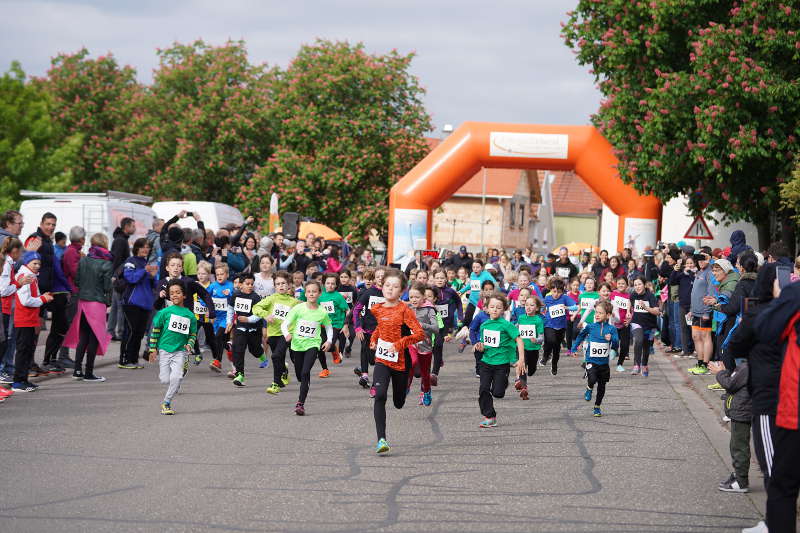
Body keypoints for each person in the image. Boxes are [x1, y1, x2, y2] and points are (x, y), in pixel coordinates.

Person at [368, 269, 424, 454]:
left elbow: (419, 334)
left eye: (395, 287)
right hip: (382, 359)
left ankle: (406, 384)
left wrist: (400, 344)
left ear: (402, 291)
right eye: (387, 285)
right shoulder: (377, 308)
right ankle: (381, 440)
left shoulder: (404, 310)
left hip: (401, 361)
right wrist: (374, 339)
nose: (390, 289)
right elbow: (381, 327)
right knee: (380, 395)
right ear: (381, 287)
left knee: (398, 402)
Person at [63, 234, 113, 382]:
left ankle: (77, 370)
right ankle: (89, 373)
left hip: (83, 301)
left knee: (83, 337)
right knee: (94, 338)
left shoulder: (84, 260)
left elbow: (77, 280)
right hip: (97, 303)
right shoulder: (106, 263)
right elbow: (107, 286)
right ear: (104, 244)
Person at [26, 212, 71, 374]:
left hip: (46, 291)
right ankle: (28, 364)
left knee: (45, 326)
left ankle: (43, 361)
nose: (51, 227)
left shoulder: (47, 241)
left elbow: (52, 268)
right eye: (48, 224)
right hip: (34, 291)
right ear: (41, 223)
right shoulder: (35, 239)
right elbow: (27, 263)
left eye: (53, 225)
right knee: (33, 328)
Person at [280, 280, 333, 415]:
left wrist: (329, 341)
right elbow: (285, 324)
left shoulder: (322, 311)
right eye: (309, 291)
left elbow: (328, 326)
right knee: (299, 375)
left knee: (305, 373)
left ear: (319, 293)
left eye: (314, 291)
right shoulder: (299, 308)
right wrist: (287, 334)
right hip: (296, 345)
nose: (311, 294)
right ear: (305, 293)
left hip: (313, 344)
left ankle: (300, 403)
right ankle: (303, 381)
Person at [474, 292, 524, 428]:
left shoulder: (506, 325)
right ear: (486, 308)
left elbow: (519, 340)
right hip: (486, 362)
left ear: (504, 309)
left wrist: (521, 360)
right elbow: (485, 344)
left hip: (501, 364)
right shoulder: (484, 325)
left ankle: (502, 383)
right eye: (492, 307)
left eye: (498, 307)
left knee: (498, 393)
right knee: (483, 389)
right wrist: (480, 347)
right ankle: (489, 416)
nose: (495, 310)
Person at [149, 279, 198, 415]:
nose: (175, 295)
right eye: (172, 293)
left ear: (184, 295)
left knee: (176, 378)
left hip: (180, 351)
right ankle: (176, 379)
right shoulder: (164, 313)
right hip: (164, 350)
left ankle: (166, 402)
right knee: (165, 380)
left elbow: (192, 334)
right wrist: (153, 349)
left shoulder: (190, 315)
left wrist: (190, 344)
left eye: (178, 292)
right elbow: (156, 331)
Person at [11, 252, 53, 392]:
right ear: (26, 263)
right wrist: (43, 299)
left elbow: (32, 297)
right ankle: (18, 381)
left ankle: (24, 380)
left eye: (39, 263)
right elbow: (25, 301)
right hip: (23, 320)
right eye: (34, 263)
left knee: (28, 350)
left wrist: (42, 296)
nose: (37, 266)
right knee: (23, 351)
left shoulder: (32, 277)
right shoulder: (25, 277)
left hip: (29, 319)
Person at [708, 359, 752, 493]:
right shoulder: (745, 366)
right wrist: (725, 372)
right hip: (741, 411)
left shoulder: (746, 367)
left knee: (739, 447)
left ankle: (741, 480)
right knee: (736, 445)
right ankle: (738, 474)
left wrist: (720, 373)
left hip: (742, 412)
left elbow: (730, 384)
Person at [254, 271, 300, 394]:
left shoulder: (293, 302)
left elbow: (301, 315)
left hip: (286, 334)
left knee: (275, 356)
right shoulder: (271, 299)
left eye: (283, 283)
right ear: (274, 286)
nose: (281, 286)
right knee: (278, 358)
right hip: (273, 334)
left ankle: (275, 384)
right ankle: (283, 373)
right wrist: (266, 315)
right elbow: (256, 308)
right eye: (278, 284)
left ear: (289, 285)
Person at [571, 300, 619, 416]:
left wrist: (611, 338)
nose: (597, 315)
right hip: (591, 360)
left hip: (603, 363)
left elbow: (616, 344)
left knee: (602, 386)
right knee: (592, 378)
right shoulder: (591, 327)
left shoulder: (612, 329)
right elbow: (581, 335)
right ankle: (589, 387)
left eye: (600, 313)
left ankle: (597, 406)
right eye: (596, 312)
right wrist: (574, 348)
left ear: (607, 315)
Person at [120, 238, 158, 369]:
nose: (145, 249)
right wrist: (144, 271)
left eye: (147, 247)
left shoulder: (145, 263)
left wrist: (153, 276)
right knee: (131, 331)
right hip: (131, 303)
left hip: (145, 304)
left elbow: (153, 285)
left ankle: (134, 359)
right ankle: (124, 360)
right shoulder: (131, 261)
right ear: (136, 248)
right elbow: (130, 278)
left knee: (139, 333)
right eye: (143, 247)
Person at [0, 238, 31, 385]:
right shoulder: (6, 264)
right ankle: (1, 371)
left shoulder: (9, 263)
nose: (22, 254)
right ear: (15, 251)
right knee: (4, 341)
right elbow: (3, 290)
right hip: (4, 307)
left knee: (5, 340)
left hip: (6, 307)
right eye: (21, 251)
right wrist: (19, 284)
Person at [225, 272, 263, 387]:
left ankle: (261, 354)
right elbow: (230, 309)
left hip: (253, 329)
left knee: (254, 350)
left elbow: (259, 314)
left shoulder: (255, 297)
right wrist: (229, 322)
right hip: (240, 328)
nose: (250, 286)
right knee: (238, 350)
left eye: (252, 284)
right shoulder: (235, 295)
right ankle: (240, 375)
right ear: (240, 285)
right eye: (248, 284)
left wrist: (248, 319)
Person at [405, 282, 438, 406]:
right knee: (411, 362)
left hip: (425, 345)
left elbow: (436, 328)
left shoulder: (429, 310)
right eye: (411, 297)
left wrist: (422, 325)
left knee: (425, 374)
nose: (413, 300)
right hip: (412, 343)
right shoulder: (408, 309)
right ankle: (406, 386)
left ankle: (427, 391)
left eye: (417, 297)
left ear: (424, 297)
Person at [353, 267, 385, 392]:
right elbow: (356, 310)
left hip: (383, 331)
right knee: (365, 351)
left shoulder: (389, 293)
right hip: (367, 329)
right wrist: (358, 328)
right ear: (375, 279)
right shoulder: (368, 292)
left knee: (374, 359)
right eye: (378, 277)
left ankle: (376, 377)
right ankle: (365, 375)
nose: (381, 279)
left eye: (383, 276)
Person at [58, 226, 85, 365]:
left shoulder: (73, 251)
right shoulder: (72, 252)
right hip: (72, 291)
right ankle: (63, 356)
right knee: (69, 325)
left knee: (71, 324)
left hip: (73, 290)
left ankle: (63, 355)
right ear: (82, 239)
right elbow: (76, 273)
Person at [541, 278, 578, 375]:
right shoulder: (547, 298)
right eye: (554, 291)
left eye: (559, 292)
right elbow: (541, 307)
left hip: (561, 327)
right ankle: (546, 356)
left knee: (557, 348)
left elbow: (576, 306)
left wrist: (567, 307)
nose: (556, 294)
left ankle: (554, 365)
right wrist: (541, 313)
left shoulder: (565, 298)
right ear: (551, 290)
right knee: (550, 340)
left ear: (562, 291)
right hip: (549, 324)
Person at [108, 217, 135, 341]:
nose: (134, 229)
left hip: (117, 277)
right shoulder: (121, 241)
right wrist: (116, 276)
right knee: (120, 306)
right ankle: (119, 332)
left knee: (115, 306)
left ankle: (111, 331)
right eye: (133, 226)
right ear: (126, 227)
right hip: (120, 278)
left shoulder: (121, 239)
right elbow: (117, 260)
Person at [627, 277, 660, 377]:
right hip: (636, 322)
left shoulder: (651, 296)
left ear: (644, 285)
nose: (637, 287)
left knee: (647, 346)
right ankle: (636, 365)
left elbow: (657, 311)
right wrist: (628, 311)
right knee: (638, 340)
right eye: (635, 285)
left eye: (639, 284)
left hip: (650, 326)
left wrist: (646, 307)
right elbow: (629, 301)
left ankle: (644, 364)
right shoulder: (633, 295)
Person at [688, 251, 715, 375]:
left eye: (703, 259)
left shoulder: (710, 272)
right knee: (696, 337)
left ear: (708, 259)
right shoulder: (699, 272)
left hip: (704, 312)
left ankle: (705, 364)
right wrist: (691, 310)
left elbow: (711, 293)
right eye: (699, 260)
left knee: (705, 337)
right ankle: (699, 363)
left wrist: (707, 312)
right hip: (696, 312)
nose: (701, 262)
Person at [514, 296, 544, 401]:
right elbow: (516, 328)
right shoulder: (521, 318)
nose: (529, 307)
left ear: (536, 308)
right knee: (522, 366)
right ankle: (524, 388)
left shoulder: (538, 320)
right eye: (527, 305)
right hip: (522, 348)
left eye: (532, 305)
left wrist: (536, 340)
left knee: (531, 370)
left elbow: (541, 337)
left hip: (533, 349)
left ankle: (520, 381)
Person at [206, 263, 235, 373]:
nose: (219, 276)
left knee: (218, 337)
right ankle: (232, 354)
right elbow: (205, 297)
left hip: (227, 318)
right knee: (224, 342)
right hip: (216, 319)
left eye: (222, 274)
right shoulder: (213, 286)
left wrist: (230, 294)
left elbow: (235, 298)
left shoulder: (230, 286)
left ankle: (218, 361)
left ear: (227, 275)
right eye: (217, 274)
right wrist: (205, 307)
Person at [318, 273, 349, 374]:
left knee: (329, 345)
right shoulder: (320, 296)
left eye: (333, 283)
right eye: (328, 283)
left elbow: (348, 310)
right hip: (322, 324)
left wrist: (345, 324)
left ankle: (334, 349)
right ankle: (325, 369)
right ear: (324, 284)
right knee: (320, 347)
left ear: (336, 285)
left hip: (336, 324)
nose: (330, 285)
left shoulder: (338, 296)